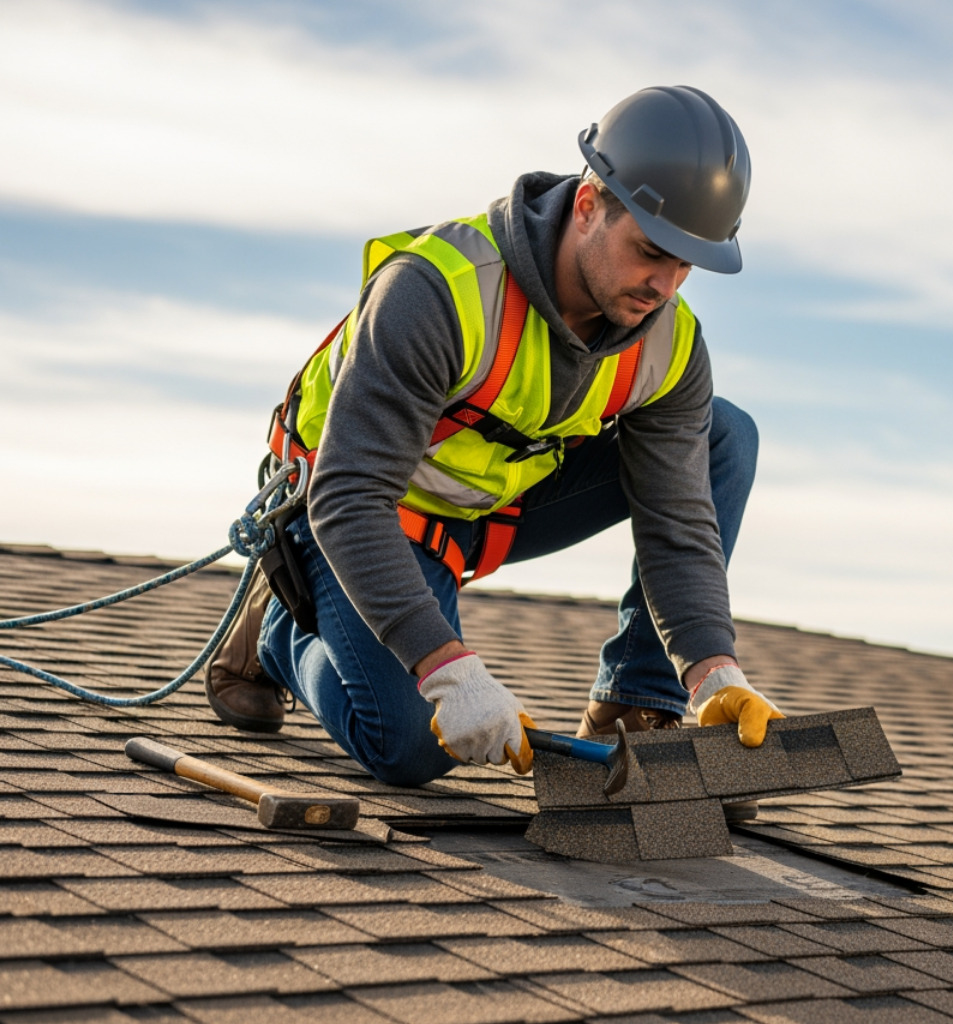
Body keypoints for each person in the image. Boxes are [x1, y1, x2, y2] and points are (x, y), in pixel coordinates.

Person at [203, 85, 782, 799]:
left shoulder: (670, 344)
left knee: (726, 435)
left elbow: (679, 520)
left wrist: (711, 669)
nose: (664, 285)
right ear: (587, 205)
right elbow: (351, 495)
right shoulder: (439, 291)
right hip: (352, 510)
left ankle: (634, 705)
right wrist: (445, 666)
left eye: (687, 264)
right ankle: (283, 633)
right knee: (413, 744)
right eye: (650, 251)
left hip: (494, 507)